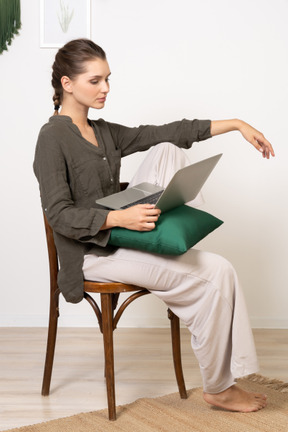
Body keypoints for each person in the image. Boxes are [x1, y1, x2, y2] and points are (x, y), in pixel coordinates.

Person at [33, 38, 275, 413]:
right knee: (212, 277)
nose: (106, 88)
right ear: (67, 84)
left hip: (125, 239)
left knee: (167, 149)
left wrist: (237, 125)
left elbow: (170, 130)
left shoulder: (104, 132)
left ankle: (224, 382)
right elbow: (59, 215)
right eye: (95, 81)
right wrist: (118, 218)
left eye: (108, 79)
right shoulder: (51, 138)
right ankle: (220, 389)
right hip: (92, 254)